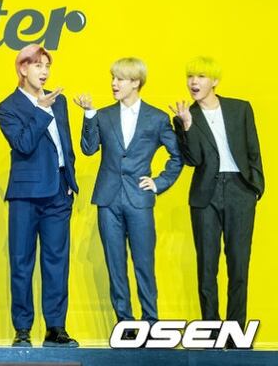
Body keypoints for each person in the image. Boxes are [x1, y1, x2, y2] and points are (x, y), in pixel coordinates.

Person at [74, 57, 182, 334]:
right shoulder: (104, 115)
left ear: (135, 82)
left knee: (144, 263)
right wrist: (89, 115)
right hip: (108, 200)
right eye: (113, 78)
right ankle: (125, 324)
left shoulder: (157, 118)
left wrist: (158, 182)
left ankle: (151, 322)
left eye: (120, 79)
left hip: (139, 200)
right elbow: (88, 149)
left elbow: (177, 156)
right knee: (115, 265)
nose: (114, 83)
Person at [170, 56, 263, 343]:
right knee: (207, 266)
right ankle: (211, 331)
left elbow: (253, 149)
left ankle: (235, 333)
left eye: (200, 76)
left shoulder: (240, 108)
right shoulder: (185, 116)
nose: (193, 82)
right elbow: (193, 159)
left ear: (215, 81)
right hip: (205, 195)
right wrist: (186, 126)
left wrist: (255, 186)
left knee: (239, 264)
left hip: (239, 190)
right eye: (190, 76)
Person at [0, 44, 79, 347]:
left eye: (47, 66)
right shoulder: (7, 107)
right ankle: (22, 328)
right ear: (23, 69)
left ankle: (56, 327)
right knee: (21, 262)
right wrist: (41, 109)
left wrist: (69, 178)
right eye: (38, 66)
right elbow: (23, 144)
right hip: (26, 195)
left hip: (58, 192)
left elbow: (65, 143)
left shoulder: (60, 101)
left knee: (57, 262)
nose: (44, 72)